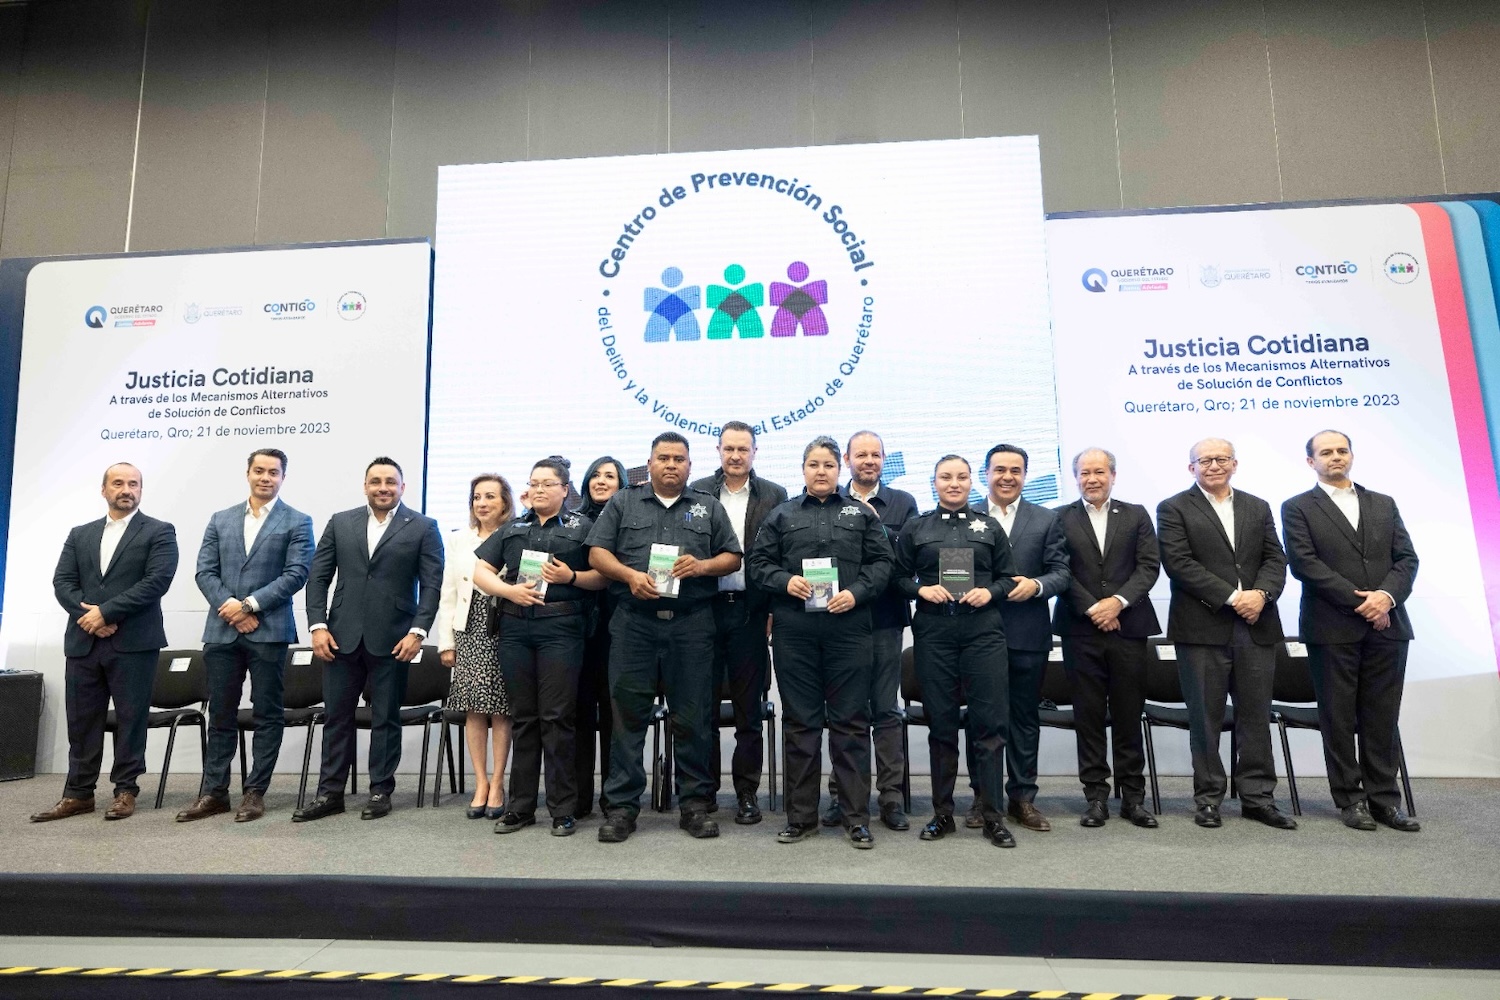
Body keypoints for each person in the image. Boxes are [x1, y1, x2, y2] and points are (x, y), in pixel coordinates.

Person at [586, 432, 743, 842]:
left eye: (678, 459)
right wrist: (629, 575)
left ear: (690, 465)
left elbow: (732, 557)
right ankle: (621, 808)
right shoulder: (623, 502)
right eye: (663, 458)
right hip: (634, 624)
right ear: (650, 463)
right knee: (627, 718)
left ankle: (695, 805)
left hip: (692, 625)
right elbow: (597, 553)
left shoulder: (708, 506)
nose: (671, 464)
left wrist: (703, 567)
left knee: (693, 718)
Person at [749, 435, 893, 849]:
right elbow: (758, 564)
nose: (821, 471)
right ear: (803, 470)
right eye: (814, 464)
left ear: (839, 469)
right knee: (801, 725)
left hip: (849, 629)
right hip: (795, 632)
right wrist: (785, 581)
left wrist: (857, 592)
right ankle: (801, 818)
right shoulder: (781, 514)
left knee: (851, 724)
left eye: (828, 465)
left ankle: (855, 818)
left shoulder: (861, 514)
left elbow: (883, 562)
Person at [1282, 430, 1420, 832]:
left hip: (1388, 625)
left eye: (1342, 450)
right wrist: (1363, 603)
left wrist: (1386, 598)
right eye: (1326, 452)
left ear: (1352, 456)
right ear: (1311, 462)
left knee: (1382, 718)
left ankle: (1384, 801)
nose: (1336, 457)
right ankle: (1350, 799)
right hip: (1332, 627)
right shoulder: (1297, 507)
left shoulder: (1383, 503)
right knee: (1338, 718)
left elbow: (1406, 559)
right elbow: (1304, 563)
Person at [295, 457, 444, 822]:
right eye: (376, 481)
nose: (383, 487)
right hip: (339, 637)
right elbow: (318, 577)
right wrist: (317, 626)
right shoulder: (340, 522)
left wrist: (418, 631)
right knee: (336, 717)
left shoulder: (423, 527)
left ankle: (380, 791)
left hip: (394, 638)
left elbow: (432, 585)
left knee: (385, 718)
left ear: (402, 487)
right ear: (365, 486)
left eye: (391, 481)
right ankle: (330, 793)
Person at [1158, 438, 1296, 830]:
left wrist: (1262, 595)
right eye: (1205, 460)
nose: (1214, 465)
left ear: (1235, 464)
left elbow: (1275, 558)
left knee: (1256, 717)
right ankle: (1208, 799)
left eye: (1222, 459)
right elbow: (1179, 563)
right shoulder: (1173, 508)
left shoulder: (1258, 506)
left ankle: (1258, 798)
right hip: (1201, 628)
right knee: (1205, 719)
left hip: (1256, 626)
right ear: (1192, 468)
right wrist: (1235, 597)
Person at [33, 463, 179, 823]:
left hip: (134, 642)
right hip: (84, 641)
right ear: (104, 490)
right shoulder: (80, 534)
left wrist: (106, 613)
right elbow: (63, 582)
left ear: (140, 490)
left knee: (131, 719)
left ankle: (125, 790)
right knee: (82, 721)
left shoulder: (159, 531)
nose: (126, 489)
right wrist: (90, 618)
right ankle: (78, 793)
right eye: (118, 483)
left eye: (133, 484)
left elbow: (156, 581)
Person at [178, 448, 314, 824]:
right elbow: (205, 572)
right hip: (222, 630)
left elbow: (296, 574)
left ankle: (255, 792)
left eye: (273, 472)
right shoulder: (220, 519)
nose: (265, 477)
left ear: (283, 477)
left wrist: (250, 606)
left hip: (269, 631)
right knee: (220, 713)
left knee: (267, 713)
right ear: (248, 473)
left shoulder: (298, 521)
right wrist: (232, 609)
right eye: (259, 470)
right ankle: (214, 792)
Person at [473, 458, 606, 837]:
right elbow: (481, 570)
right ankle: (520, 807)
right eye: (534, 483)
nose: (540, 489)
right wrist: (508, 590)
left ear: (565, 490)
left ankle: (563, 808)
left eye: (548, 483)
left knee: (557, 717)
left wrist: (572, 576)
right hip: (515, 628)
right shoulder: (513, 527)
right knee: (524, 717)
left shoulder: (584, 527)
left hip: (562, 628)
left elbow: (603, 576)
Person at [895, 455, 1017, 848]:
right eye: (946, 477)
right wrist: (921, 589)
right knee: (942, 726)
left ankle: (993, 817)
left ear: (971, 482)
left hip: (983, 632)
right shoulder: (916, 527)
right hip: (935, 632)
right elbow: (896, 577)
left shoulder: (989, 526)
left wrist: (991, 592)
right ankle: (942, 814)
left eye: (962, 477)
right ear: (934, 483)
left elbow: (1008, 578)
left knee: (989, 725)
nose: (954, 483)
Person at [962, 443, 1071, 833]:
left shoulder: (1047, 518)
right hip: (976, 634)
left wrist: (1038, 586)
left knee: (1024, 720)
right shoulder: (965, 516)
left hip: (1028, 634)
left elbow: (1061, 573)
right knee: (981, 720)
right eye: (999, 470)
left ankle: (1022, 798)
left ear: (1025, 475)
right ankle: (982, 797)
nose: (1007, 477)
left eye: (1015, 470)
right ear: (985, 474)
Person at [1052, 447, 1161, 829]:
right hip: (1080, 630)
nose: (1092, 479)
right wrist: (1094, 609)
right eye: (1084, 473)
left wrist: (1116, 603)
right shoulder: (1059, 517)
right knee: (1089, 716)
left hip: (1129, 628)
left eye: (1099, 472)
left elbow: (1149, 567)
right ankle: (1096, 797)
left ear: (1113, 476)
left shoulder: (1136, 514)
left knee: (1129, 715)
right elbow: (1059, 569)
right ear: (1076, 477)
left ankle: (1133, 799)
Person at [689, 421, 788, 824]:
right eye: (728, 448)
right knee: (702, 709)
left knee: (749, 711)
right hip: (703, 610)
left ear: (754, 453)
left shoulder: (774, 495)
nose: (735, 456)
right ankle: (705, 791)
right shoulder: (697, 492)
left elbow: (781, 556)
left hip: (751, 612)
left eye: (742, 449)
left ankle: (747, 792)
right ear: (718, 450)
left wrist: (773, 609)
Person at [822, 429, 917, 831]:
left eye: (875, 455)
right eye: (860, 455)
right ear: (847, 460)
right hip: (839, 622)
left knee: (886, 710)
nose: (869, 461)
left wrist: (876, 526)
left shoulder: (902, 502)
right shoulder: (829, 499)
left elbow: (909, 558)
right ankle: (843, 796)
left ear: (883, 460)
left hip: (884, 620)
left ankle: (891, 798)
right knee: (845, 712)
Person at [435, 473, 515, 820]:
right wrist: (446, 642)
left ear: (505, 502)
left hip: (505, 626)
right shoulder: (458, 539)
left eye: (490, 497)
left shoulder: (516, 533)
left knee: (501, 708)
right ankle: (480, 782)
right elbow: (448, 592)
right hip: (468, 627)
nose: (482, 503)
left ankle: (498, 782)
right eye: (477, 497)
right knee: (473, 708)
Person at [573, 456, 626, 818]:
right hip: (574, 629)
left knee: (613, 716)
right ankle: (578, 798)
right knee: (578, 714)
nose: (601, 481)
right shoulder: (572, 521)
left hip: (618, 628)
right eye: (595, 475)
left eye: (610, 476)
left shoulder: (629, 521)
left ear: (622, 485)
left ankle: (614, 797)